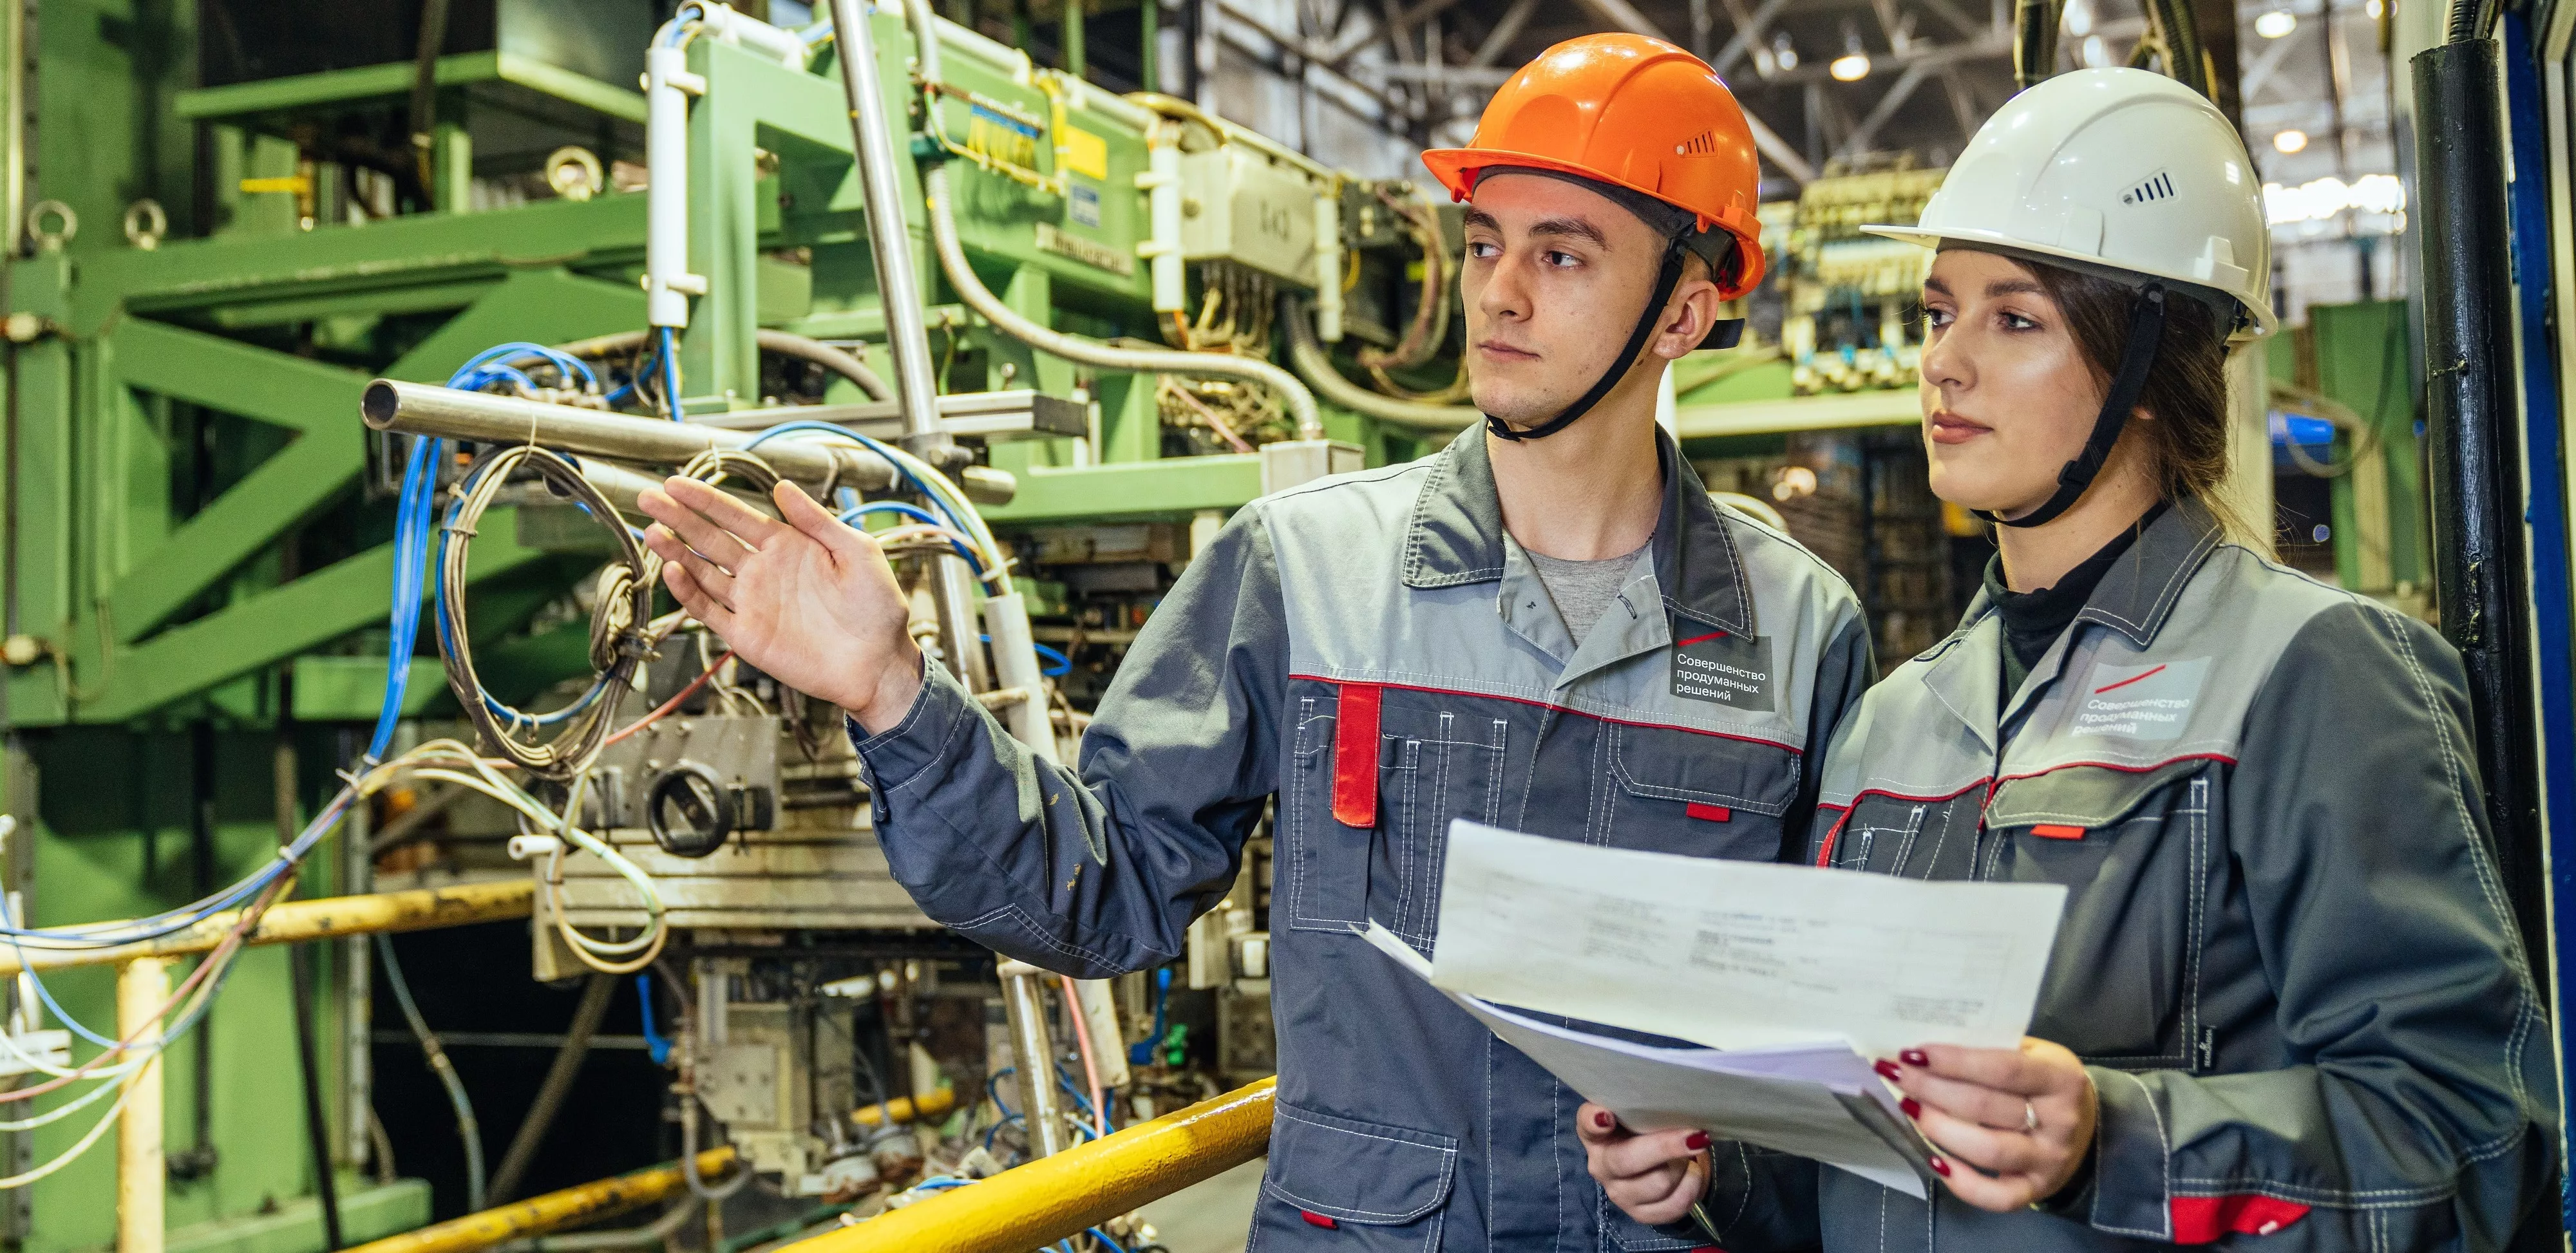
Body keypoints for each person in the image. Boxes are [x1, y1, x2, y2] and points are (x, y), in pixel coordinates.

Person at [637, 32, 1874, 1252]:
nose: (1498, 290)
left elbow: (1838, 1030)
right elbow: (1106, 891)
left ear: (1686, 311)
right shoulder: (1305, 570)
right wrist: (894, 692)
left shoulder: (1799, 633)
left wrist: (1727, 1164)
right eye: (1487, 243)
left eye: (1564, 255)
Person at [1582, 66, 2556, 1250]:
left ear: (2148, 362)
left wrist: (2114, 1138)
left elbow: (2473, 1142)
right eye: (1942, 312)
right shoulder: (1894, 722)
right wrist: (1713, 1158)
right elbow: (1864, 1159)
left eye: (2016, 318)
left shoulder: (2315, 675)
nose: (1942, 361)